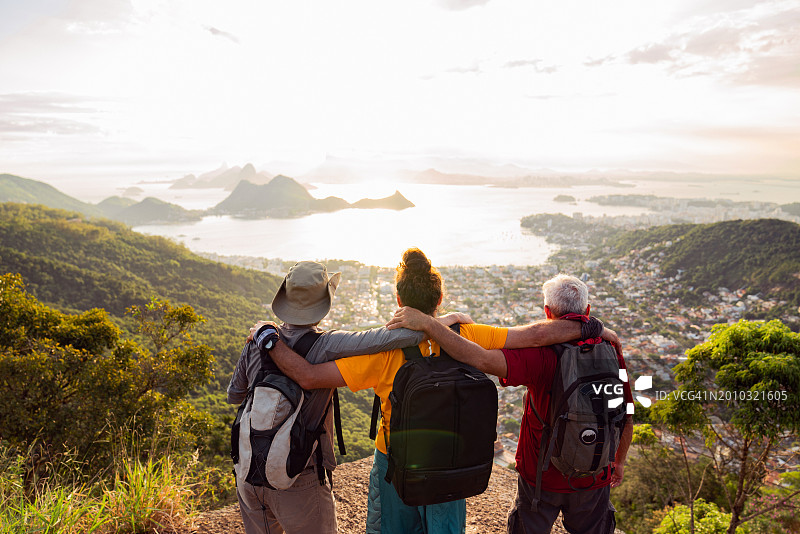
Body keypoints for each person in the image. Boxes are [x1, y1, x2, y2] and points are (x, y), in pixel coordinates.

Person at [262, 249, 615, 534]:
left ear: (399, 299)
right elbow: (537, 335)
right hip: (452, 461)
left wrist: (268, 338)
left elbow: (308, 377)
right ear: (441, 297)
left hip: (395, 461)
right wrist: (593, 328)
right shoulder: (469, 334)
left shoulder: (385, 351)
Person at [229, 260, 465, 534]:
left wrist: (266, 340)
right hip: (299, 475)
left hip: (248, 469)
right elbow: (390, 338)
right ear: (324, 303)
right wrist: (440, 322)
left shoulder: (257, 340)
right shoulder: (327, 344)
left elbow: (235, 394)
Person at [386, 273, 634, 534]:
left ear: (547, 312)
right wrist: (618, 461)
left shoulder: (543, 355)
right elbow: (626, 413)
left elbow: (480, 359)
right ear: (588, 310)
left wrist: (429, 325)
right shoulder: (611, 349)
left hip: (541, 478)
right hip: (595, 474)